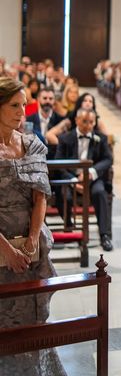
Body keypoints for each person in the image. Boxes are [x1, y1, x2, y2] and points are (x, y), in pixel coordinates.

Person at [0, 77, 67, 375]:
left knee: (32, 318)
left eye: (24, 105)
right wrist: (6, 250)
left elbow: (41, 196)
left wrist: (31, 240)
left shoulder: (31, 143)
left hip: (31, 248)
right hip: (0, 245)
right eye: (14, 105)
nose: (22, 112)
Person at [54, 108, 114, 251]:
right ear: (76, 121)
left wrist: (92, 173)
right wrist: (74, 181)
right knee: (64, 196)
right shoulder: (65, 138)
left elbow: (108, 159)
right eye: (84, 121)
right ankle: (68, 226)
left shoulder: (101, 139)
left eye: (91, 122)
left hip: (92, 179)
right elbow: (58, 163)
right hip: (70, 179)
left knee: (100, 193)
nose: (88, 125)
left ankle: (104, 235)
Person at [26, 86, 64, 155]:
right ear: (38, 99)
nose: (47, 101)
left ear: (54, 100)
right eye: (45, 98)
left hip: (54, 159)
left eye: (50, 99)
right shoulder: (29, 119)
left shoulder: (60, 120)